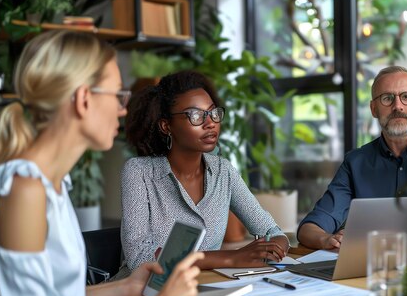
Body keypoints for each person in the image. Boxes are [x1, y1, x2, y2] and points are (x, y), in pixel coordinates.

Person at [0, 31, 203, 296]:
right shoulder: (22, 189)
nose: (123, 110)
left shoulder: (50, 184)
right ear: (83, 99)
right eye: (118, 95)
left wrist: (128, 288)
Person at [120, 70, 289, 272]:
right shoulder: (139, 172)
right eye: (196, 115)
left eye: (213, 112)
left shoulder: (223, 171)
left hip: (208, 289)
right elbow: (140, 259)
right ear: (166, 126)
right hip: (144, 294)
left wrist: (273, 247)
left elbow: (272, 231)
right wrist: (229, 259)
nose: (210, 123)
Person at [297, 66, 407, 250]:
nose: (397, 106)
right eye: (387, 98)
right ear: (373, 109)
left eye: (406, 97)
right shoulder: (355, 163)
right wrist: (326, 240)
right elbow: (310, 228)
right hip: (370, 271)